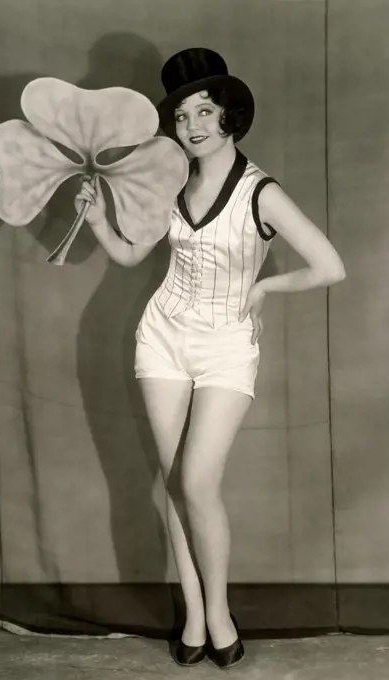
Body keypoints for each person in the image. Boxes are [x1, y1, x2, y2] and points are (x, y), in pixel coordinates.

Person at [75, 47, 345, 669]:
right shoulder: (168, 182)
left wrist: (265, 288)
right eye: (181, 115)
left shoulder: (261, 193)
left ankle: (220, 611)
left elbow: (330, 266)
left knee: (198, 481)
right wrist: (95, 220)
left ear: (229, 116)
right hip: (162, 337)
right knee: (176, 486)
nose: (192, 126)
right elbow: (128, 255)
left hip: (226, 346)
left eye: (205, 111)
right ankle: (194, 615)